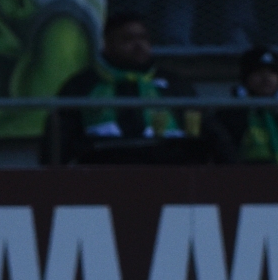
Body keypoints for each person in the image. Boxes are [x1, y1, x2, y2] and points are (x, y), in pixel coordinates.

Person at [49, 12, 221, 165]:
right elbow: (59, 142)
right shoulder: (82, 85)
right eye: (128, 39)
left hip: (168, 170)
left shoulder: (174, 82)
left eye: (144, 38)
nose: (139, 45)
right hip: (105, 172)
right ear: (107, 44)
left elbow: (207, 129)